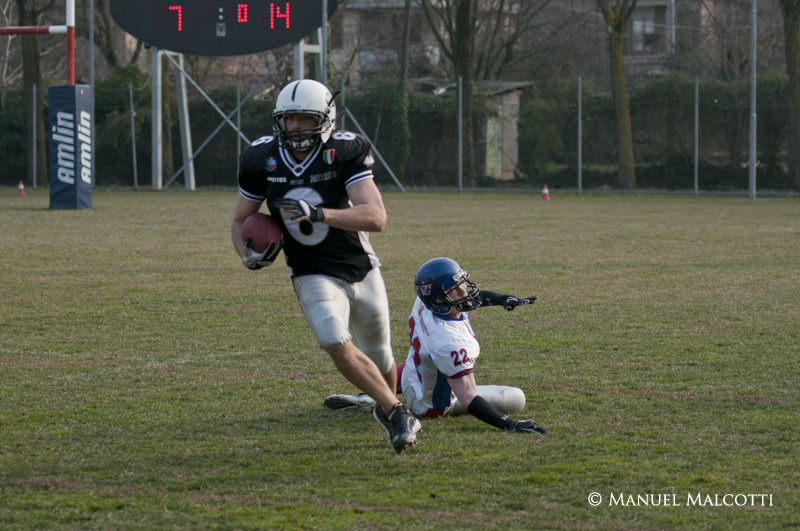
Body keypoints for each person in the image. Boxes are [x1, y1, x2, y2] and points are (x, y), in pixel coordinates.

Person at [231, 79, 421, 454]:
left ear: (326, 118)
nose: (297, 127)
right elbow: (240, 221)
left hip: (359, 266)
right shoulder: (260, 159)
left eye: (306, 118)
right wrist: (247, 254)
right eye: (290, 119)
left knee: (381, 353)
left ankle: (383, 401)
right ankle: (397, 412)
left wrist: (319, 214)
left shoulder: (344, 150)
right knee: (333, 339)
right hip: (310, 270)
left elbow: (376, 217)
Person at [325, 257, 547, 434]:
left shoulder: (425, 301)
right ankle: (375, 401)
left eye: (461, 284)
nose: (464, 292)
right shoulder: (451, 342)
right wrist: (509, 424)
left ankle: (376, 393)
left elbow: (463, 300)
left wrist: (501, 299)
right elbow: (467, 398)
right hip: (430, 404)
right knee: (517, 398)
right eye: (455, 290)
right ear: (440, 299)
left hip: (412, 372)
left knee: (420, 361)